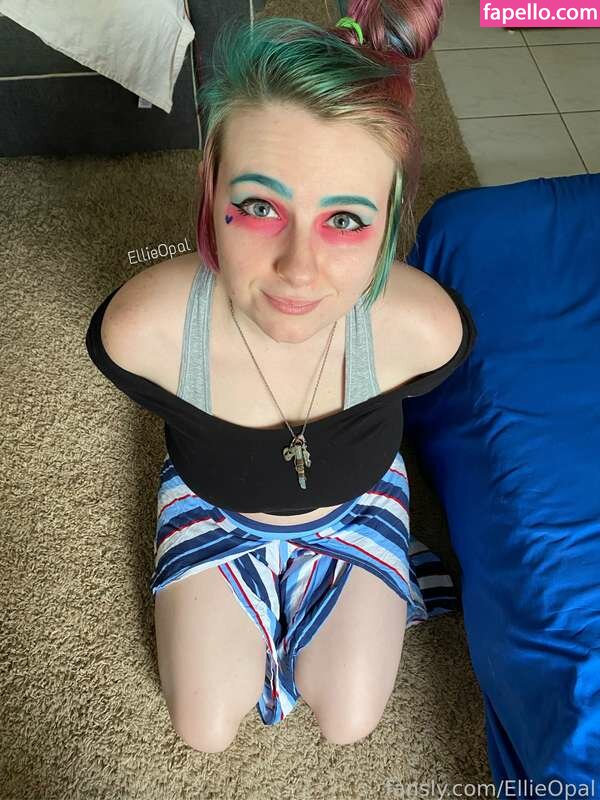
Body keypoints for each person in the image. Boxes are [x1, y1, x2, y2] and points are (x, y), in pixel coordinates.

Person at [86, 0, 478, 753]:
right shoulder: (142, 331)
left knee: (350, 721)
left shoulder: (424, 330)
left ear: (390, 221)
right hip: (212, 509)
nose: (299, 270)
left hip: (358, 506)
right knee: (204, 730)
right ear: (211, 192)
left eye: (345, 220)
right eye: (260, 205)